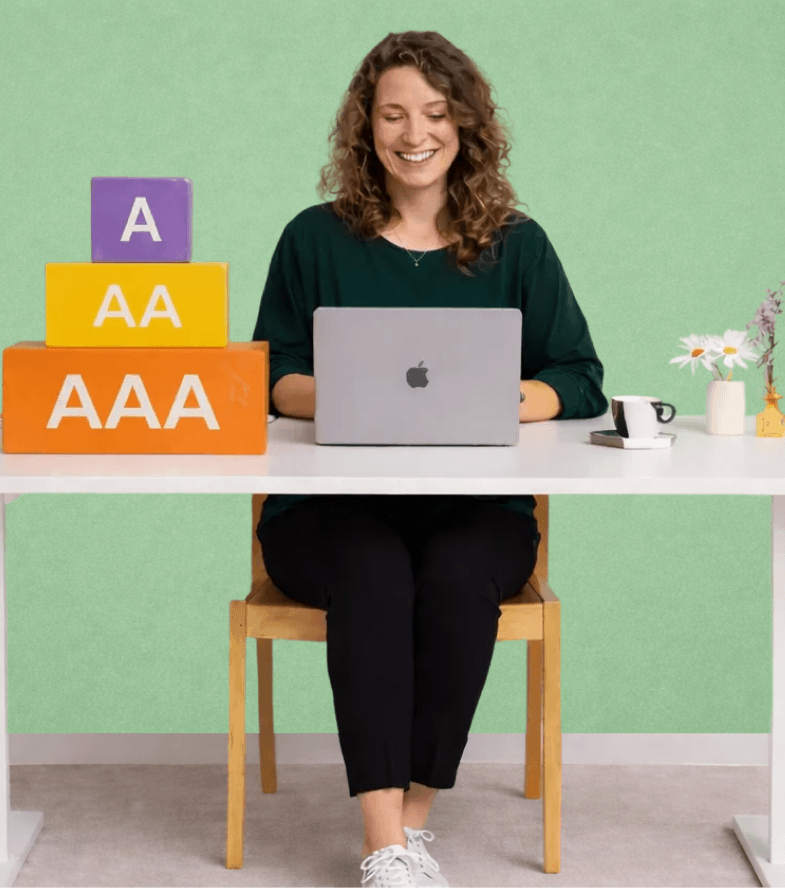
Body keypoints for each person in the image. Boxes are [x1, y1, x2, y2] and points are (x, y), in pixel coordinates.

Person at [250, 31, 607, 888]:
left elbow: (579, 377)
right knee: (373, 568)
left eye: (437, 114)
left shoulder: (517, 244)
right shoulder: (314, 238)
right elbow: (267, 375)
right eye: (394, 113)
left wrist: (494, 396)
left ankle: (411, 825)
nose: (416, 133)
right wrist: (349, 392)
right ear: (365, 127)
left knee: (452, 574)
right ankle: (383, 851)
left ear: (468, 126)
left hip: (477, 511)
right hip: (329, 514)